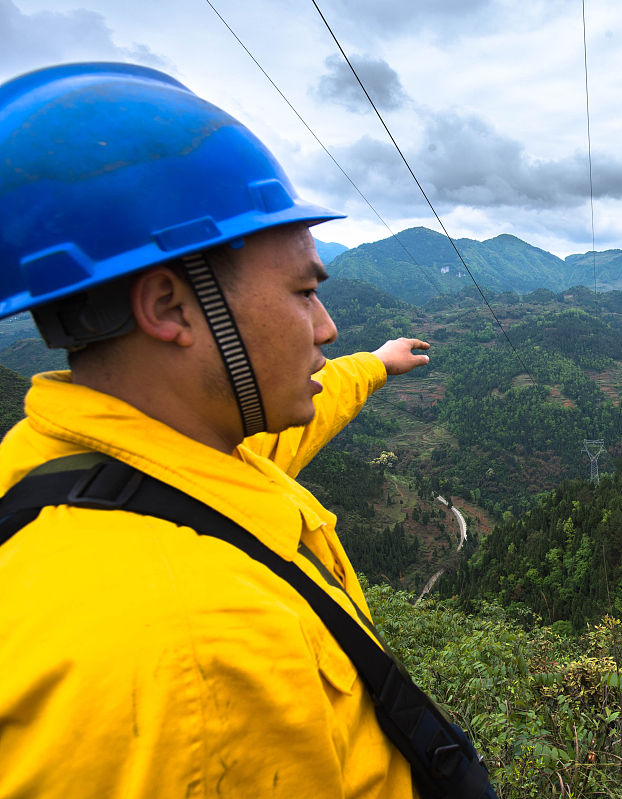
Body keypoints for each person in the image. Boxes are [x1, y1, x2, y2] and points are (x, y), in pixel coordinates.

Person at [0, 63, 442, 797]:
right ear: (171, 307)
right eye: (304, 291)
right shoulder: (197, 652)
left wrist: (376, 365)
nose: (326, 327)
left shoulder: (105, 464)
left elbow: (298, 425)